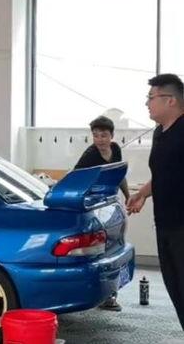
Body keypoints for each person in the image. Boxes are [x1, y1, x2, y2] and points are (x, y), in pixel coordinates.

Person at [127, 73, 184, 331]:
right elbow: (163, 173)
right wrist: (142, 194)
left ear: (170, 100)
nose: (147, 103)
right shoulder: (161, 133)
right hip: (165, 225)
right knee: (176, 291)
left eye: (151, 97)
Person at [74, 115, 130, 312]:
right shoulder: (89, 155)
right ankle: (101, 295)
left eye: (103, 135)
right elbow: (76, 179)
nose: (99, 140)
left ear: (111, 136)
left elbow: (119, 175)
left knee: (116, 247)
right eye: (96, 135)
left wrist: (128, 196)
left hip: (111, 203)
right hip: (94, 205)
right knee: (100, 250)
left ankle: (111, 295)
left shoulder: (116, 149)